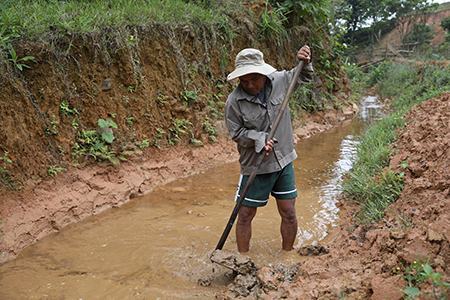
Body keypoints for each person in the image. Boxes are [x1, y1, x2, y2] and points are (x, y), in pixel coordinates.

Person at [224, 46, 313, 253]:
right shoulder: (234, 102)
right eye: (244, 81)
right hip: (256, 165)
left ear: (264, 74)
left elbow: (304, 76)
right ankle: (243, 260)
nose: (250, 85)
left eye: (254, 78)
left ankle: (287, 255)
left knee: (289, 212)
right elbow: (236, 133)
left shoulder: (281, 81)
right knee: (245, 215)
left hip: (283, 160)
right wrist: (259, 138)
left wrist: (306, 62)